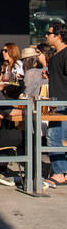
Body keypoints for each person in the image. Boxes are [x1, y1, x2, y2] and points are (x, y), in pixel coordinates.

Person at [43, 22, 67, 185]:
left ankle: (59, 173)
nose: (46, 35)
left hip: (63, 103)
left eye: (49, 33)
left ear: (58, 36)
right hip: (56, 102)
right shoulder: (55, 55)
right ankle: (62, 171)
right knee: (60, 137)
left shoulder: (65, 54)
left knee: (53, 136)